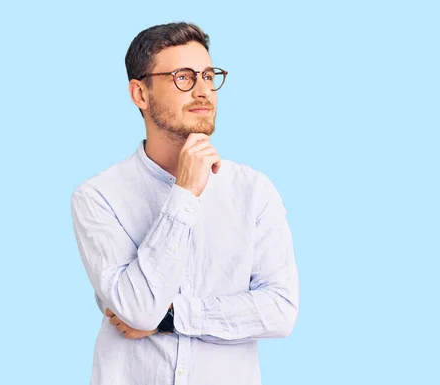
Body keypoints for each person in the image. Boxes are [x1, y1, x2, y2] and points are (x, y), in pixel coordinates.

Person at [70, 22, 299, 385]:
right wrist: (185, 192)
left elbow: (280, 310)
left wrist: (172, 318)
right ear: (140, 94)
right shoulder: (98, 197)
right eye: (183, 77)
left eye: (209, 76)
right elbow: (140, 308)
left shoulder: (254, 191)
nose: (203, 90)